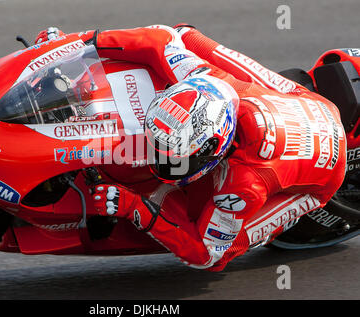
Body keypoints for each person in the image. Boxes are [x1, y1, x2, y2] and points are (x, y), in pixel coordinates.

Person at [34, 24, 354, 271]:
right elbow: (161, 38)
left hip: (322, 171)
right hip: (305, 102)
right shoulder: (205, 77)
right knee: (187, 34)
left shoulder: (244, 186)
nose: (156, 160)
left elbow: (205, 255)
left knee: (214, 238)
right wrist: (74, 43)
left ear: (214, 149)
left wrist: (136, 207)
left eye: (172, 158)